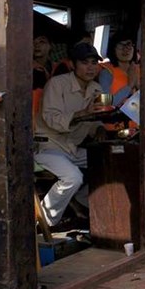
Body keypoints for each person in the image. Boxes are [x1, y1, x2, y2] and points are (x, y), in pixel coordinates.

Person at [34, 43, 107, 227]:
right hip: (47, 146)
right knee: (73, 177)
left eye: (94, 63)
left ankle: (81, 201)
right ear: (72, 64)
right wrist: (82, 113)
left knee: (110, 161)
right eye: (84, 62)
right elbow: (51, 119)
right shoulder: (57, 84)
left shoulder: (96, 88)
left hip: (72, 148)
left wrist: (99, 129)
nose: (90, 67)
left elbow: (93, 121)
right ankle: (42, 222)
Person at [99, 31, 140, 107]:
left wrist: (138, 85)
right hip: (115, 114)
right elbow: (104, 101)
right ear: (113, 49)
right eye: (121, 46)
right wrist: (129, 86)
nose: (125, 49)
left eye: (129, 45)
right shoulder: (106, 73)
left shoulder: (142, 70)